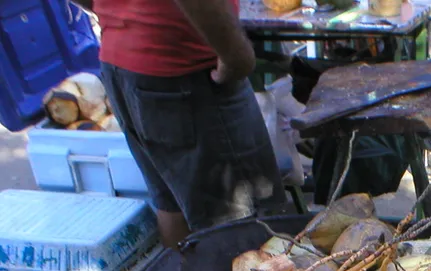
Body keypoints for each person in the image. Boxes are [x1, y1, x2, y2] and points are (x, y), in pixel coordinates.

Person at [72, 0, 286, 248]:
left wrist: (121, 14)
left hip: (124, 64)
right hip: (188, 71)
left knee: (173, 203)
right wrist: (235, 54)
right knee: (245, 222)